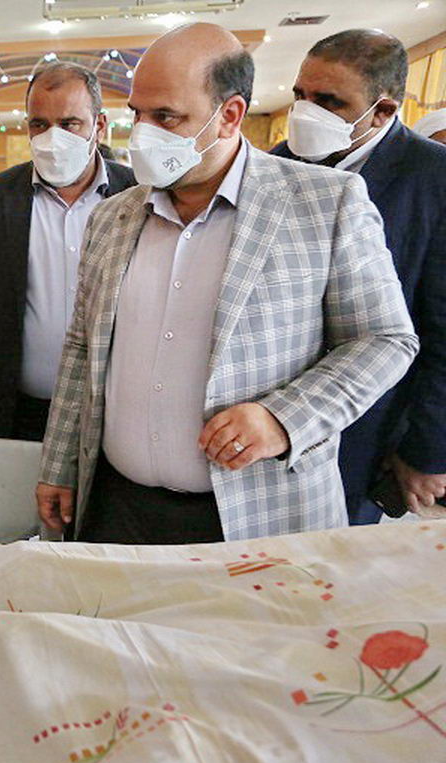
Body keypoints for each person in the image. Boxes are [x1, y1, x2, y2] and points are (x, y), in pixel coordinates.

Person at [35, 23, 418, 544]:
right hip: (117, 507)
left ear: (230, 115)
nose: (143, 134)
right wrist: (59, 465)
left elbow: (385, 340)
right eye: (137, 114)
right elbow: (82, 347)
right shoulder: (112, 217)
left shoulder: (326, 202)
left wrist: (283, 418)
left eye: (166, 116)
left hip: (255, 511)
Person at [271, 30, 446, 522]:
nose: (307, 113)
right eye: (301, 96)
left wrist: (426, 452)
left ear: (384, 110)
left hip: (371, 433)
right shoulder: (276, 164)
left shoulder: (434, 177)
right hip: (275, 420)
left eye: (329, 101)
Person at [0, 61, 134, 443]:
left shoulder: (140, 197)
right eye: (39, 124)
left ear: (100, 125)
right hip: (11, 411)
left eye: (70, 124)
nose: (53, 138)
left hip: (114, 415)